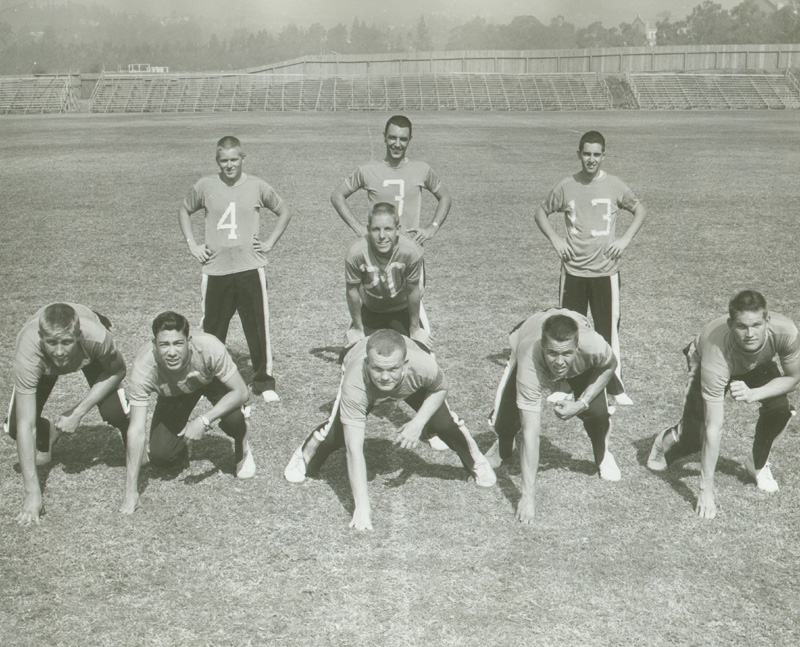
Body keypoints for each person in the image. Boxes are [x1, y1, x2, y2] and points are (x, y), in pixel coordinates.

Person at [283, 329, 496, 531]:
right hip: (365, 387)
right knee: (335, 436)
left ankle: (477, 461)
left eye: (393, 369)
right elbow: (354, 449)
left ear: (405, 364)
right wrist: (362, 508)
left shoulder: (423, 365)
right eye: (377, 368)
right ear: (367, 364)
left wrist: (418, 423)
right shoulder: (355, 383)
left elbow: (439, 388)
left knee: (443, 424)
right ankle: (304, 458)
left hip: (410, 384)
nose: (385, 377)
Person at [647, 290, 799, 519]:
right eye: (741, 326)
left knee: (779, 410)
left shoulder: (785, 331)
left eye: (756, 325)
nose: (750, 333)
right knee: (696, 436)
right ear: (730, 324)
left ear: (767, 320)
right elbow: (714, 427)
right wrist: (705, 490)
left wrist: (754, 393)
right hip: (709, 360)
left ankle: (757, 463)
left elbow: (794, 378)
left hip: (754, 363)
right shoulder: (715, 354)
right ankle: (664, 440)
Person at [534, 131, 646, 407]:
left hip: (605, 271)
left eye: (597, 154)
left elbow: (640, 210)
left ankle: (613, 385)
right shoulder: (567, 186)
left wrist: (624, 240)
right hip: (573, 271)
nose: (591, 159)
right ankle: (565, 383)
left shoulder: (615, 185)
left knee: (607, 331)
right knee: (568, 330)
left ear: (603, 156)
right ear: (579, 154)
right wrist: (556, 240)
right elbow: (540, 213)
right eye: (586, 154)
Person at [179, 135, 291, 403]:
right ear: (217, 161)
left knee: (256, 326)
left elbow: (284, 211)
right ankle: (210, 378)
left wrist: (269, 242)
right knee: (212, 329)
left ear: (243, 158)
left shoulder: (256, 185)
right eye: (223, 161)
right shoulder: (205, 185)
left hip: (249, 267)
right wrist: (192, 245)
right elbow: (184, 210)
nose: (229, 165)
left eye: (234, 160)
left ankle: (264, 382)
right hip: (215, 269)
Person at [485, 309, 621, 525]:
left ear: (577, 348)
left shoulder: (593, 345)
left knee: (597, 413)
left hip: (577, 339)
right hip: (527, 332)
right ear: (542, 348)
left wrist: (581, 403)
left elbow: (609, 365)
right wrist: (528, 497)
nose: (559, 362)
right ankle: (503, 446)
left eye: (566, 353)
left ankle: (603, 454)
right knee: (504, 421)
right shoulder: (529, 354)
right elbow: (531, 433)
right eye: (552, 353)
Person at [5, 303, 129, 525]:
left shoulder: (96, 338)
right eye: (52, 342)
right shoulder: (28, 351)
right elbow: (25, 425)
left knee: (115, 411)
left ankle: (133, 445)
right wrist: (32, 493)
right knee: (15, 426)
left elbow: (118, 370)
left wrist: (78, 412)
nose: (60, 351)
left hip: (90, 348)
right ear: (41, 337)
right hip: (42, 363)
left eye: (67, 342)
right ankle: (48, 434)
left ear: (78, 337)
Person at [120, 311, 253, 514]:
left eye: (178, 344)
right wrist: (131, 491)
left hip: (211, 381)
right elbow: (136, 430)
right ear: (154, 344)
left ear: (188, 341)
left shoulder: (209, 347)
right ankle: (183, 444)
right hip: (175, 394)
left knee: (234, 419)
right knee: (162, 456)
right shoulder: (144, 367)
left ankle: (242, 444)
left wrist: (204, 420)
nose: (172, 352)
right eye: (164, 345)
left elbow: (242, 391)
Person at [331, 114, 451, 245]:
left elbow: (445, 196)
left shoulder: (422, 169)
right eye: (392, 138)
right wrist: (359, 228)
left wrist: (432, 227)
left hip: (410, 252)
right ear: (384, 137)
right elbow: (337, 196)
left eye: (403, 139)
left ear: (410, 140)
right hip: (377, 251)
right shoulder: (366, 170)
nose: (397, 144)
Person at [344, 201, 429, 349]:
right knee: (354, 353)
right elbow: (352, 291)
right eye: (376, 229)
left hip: (402, 310)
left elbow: (413, 290)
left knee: (419, 352)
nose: (382, 236)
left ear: (398, 230)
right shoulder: (356, 252)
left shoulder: (411, 251)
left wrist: (414, 328)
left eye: (388, 229)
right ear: (368, 230)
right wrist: (358, 327)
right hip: (371, 309)